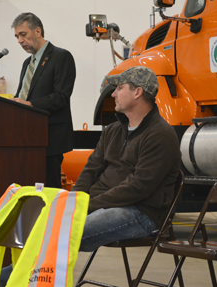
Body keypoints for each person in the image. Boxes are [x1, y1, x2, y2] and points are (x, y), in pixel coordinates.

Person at [71, 66, 181, 251]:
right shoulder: (113, 130)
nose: (113, 94)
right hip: (105, 206)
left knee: (64, 232)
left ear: (137, 92)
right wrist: (72, 201)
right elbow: (91, 169)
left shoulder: (160, 135)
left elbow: (137, 188)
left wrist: (88, 205)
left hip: (140, 212)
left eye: (119, 88)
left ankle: (9, 279)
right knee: (47, 224)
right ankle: (16, 278)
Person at [10, 12, 76, 188]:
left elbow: (61, 97)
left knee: (49, 189)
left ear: (37, 31)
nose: (19, 41)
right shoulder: (27, 63)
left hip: (49, 138)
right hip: (26, 137)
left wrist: (30, 105)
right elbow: (22, 94)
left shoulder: (61, 57)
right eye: (17, 36)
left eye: (23, 35)